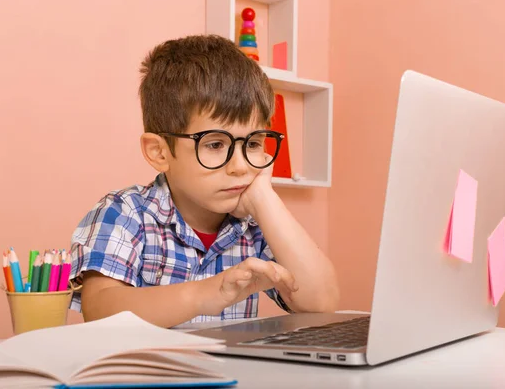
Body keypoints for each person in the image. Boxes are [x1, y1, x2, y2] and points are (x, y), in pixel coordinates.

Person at [68, 34, 339, 328]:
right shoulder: (125, 212)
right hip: (149, 373)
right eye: (214, 144)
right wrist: (202, 295)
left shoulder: (256, 224)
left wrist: (265, 197)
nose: (239, 166)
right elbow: (100, 309)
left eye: (252, 144)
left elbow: (320, 302)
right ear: (159, 152)